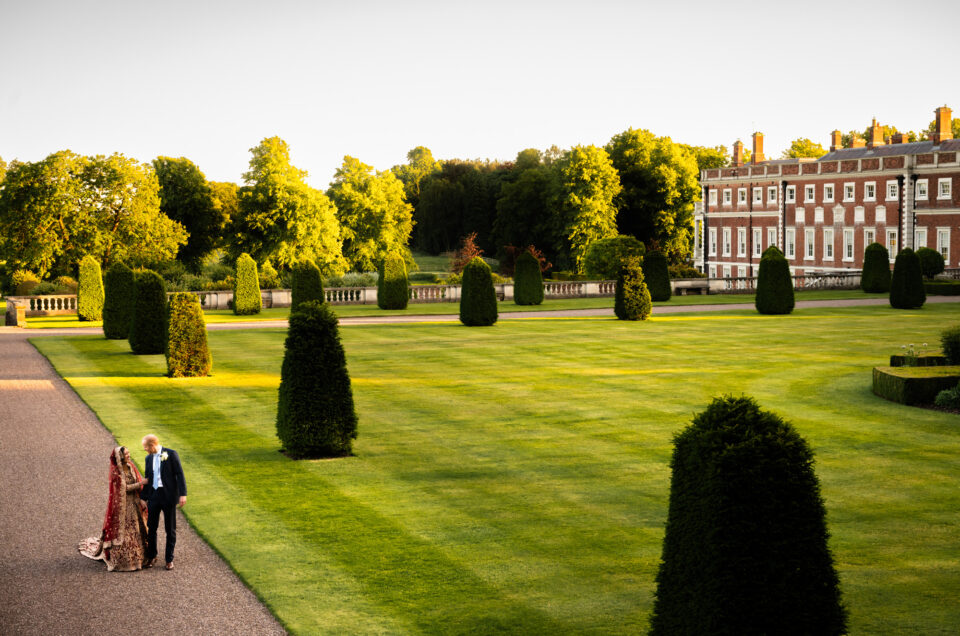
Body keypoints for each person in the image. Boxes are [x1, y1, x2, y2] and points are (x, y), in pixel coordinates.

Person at [78, 446, 148, 571]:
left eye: (128, 453)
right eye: (126, 454)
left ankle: (140, 558)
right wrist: (141, 483)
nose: (129, 455)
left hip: (134, 503)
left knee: (137, 528)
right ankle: (123, 561)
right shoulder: (116, 471)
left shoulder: (131, 466)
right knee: (125, 530)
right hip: (124, 506)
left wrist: (142, 496)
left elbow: (136, 479)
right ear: (120, 456)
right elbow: (124, 489)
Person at [140, 434, 187, 570]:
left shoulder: (171, 454)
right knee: (151, 528)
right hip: (154, 496)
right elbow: (148, 478)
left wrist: (182, 494)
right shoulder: (148, 458)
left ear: (153, 445)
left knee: (170, 529)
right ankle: (152, 556)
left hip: (168, 496)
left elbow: (180, 474)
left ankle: (169, 559)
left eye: (146, 447)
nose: (145, 450)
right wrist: (144, 497)